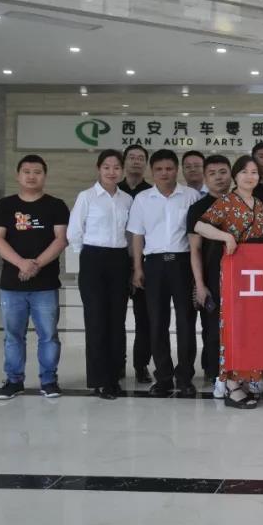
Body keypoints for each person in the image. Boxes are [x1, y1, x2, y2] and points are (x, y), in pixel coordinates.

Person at [193, 156, 263, 408]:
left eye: (254, 172)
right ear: (235, 176)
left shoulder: (259, 203)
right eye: (244, 172)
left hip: (255, 275)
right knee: (232, 327)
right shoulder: (226, 201)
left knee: (252, 327)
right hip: (232, 271)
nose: (250, 176)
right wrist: (226, 237)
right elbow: (200, 226)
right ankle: (231, 383)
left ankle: (248, 379)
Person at [0, 155, 70, 400]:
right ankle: (14, 381)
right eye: (26, 171)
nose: (32, 176)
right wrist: (21, 263)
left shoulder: (56, 205)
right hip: (12, 285)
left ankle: (49, 380)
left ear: (45, 176)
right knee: (13, 336)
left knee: (49, 336)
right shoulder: (5, 205)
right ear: (18, 175)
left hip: (45, 285)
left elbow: (61, 239)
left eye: (37, 172)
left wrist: (35, 265)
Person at [126, 149, 202, 398]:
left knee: (186, 322)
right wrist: (138, 268)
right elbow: (137, 235)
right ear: (152, 171)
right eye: (159, 169)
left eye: (169, 168)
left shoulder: (191, 196)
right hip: (154, 265)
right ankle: (164, 377)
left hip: (183, 264)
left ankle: (185, 377)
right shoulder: (142, 199)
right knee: (157, 322)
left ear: (177, 170)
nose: (164, 173)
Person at [68, 149, 133, 400]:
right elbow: (74, 231)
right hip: (93, 259)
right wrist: (85, 257)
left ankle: (114, 376)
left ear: (122, 170)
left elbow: (130, 233)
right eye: (107, 167)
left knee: (117, 321)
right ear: (99, 169)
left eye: (116, 167)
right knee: (96, 320)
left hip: (119, 260)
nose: (111, 172)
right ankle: (99, 379)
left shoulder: (127, 199)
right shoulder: (86, 197)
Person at [187, 155, 233, 391]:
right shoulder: (198, 208)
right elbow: (194, 250)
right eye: (212, 173)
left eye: (223, 172)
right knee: (213, 330)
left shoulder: (242, 204)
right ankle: (215, 374)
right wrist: (200, 284)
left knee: (238, 328)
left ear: (231, 174)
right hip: (211, 277)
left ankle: (238, 373)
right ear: (205, 178)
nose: (219, 177)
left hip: (240, 279)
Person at [119, 144, 153, 384]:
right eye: (131, 157)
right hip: (117, 261)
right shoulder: (114, 190)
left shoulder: (151, 193)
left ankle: (141, 365)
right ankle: (116, 363)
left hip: (144, 262)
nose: (136, 161)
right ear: (124, 162)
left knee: (145, 319)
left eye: (141, 158)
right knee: (115, 317)